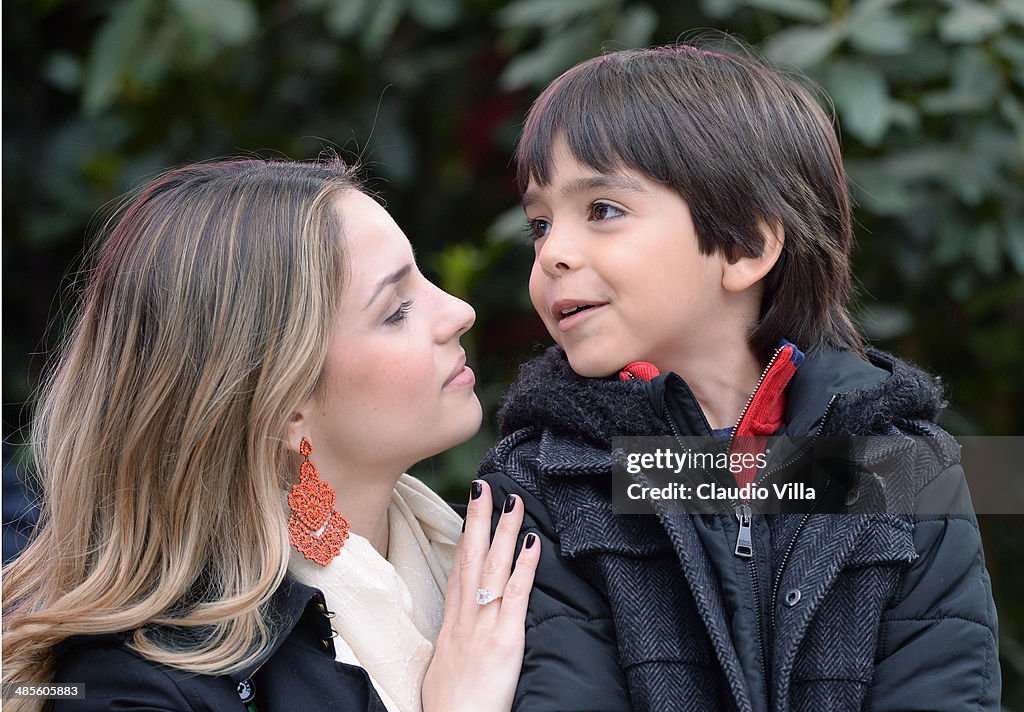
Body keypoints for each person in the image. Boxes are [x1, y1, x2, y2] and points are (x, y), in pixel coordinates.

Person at [479, 44, 1001, 711]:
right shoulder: (539, 484)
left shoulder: (902, 469)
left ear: (747, 246)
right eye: (540, 224)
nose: (553, 253)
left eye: (603, 209)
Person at [1, 158, 540, 712]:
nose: (460, 311)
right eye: (396, 309)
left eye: (423, 279)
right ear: (284, 406)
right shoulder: (129, 690)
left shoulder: (503, 546)